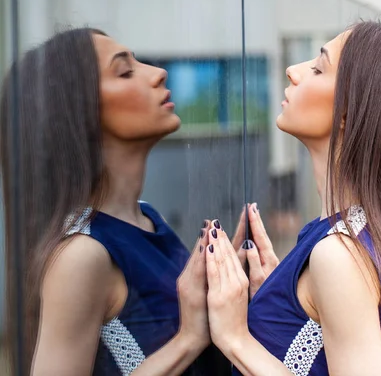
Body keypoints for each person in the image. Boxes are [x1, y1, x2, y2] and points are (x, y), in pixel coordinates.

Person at [204, 21, 381, 376]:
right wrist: (283, 301)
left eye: (317, 68)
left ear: (348, 112)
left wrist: (236, 339)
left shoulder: (338, 255)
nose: (293, 71)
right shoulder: (357, 240)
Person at [0, 28, 228, 375]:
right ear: (80, 113)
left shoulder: (149, 220)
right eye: (125, 71)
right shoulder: (81, 254)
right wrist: (188, 340)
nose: (158, 72)